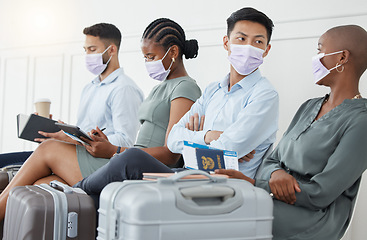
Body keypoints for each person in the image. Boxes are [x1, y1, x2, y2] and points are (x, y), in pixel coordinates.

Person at [0, 18, 201, 220]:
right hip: (123, 158)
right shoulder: (160, 87)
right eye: (145, 58)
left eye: (151, 56)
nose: (148, 63)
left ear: (173, 52)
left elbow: (171, 154)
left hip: (136, 168)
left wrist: (114, 150)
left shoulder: (185, 87)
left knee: (48, 149)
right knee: (40, 186)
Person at [72, 7, 279, 202]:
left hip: (222, 186)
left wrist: (203, 140)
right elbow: (173, 138)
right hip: (189, 176)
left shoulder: (264, 95)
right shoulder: (212, 90)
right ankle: (77, 199)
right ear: (226, 42)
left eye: (257, 42)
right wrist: (209, 136)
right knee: (110, 192)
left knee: (131, 159)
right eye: (241, 39)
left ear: (267, 50)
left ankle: (75, 193)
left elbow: (226, 149)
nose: (248, 47)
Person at [215, 24, 367, 239]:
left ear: (342, 58)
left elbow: (321, 194)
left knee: (225, 217)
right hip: (273, 198)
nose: (316, 58)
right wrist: (275, 175)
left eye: (320, 50)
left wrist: (254, 184)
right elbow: (270, 162)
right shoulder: (309, 106)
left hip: (312, 218)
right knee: (208, 206)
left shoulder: (361, 120)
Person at [0, 23, 144, 167]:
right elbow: (83, 129)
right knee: (3, 161)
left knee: (11, 168)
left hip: (93, 161)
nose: (88, 55)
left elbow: (126, 142)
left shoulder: (124, 89)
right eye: (85, 50)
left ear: (111, 49)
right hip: (73, 153)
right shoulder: (89, 88)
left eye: (92, 49)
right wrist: (58, 129)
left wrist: (75, 139)